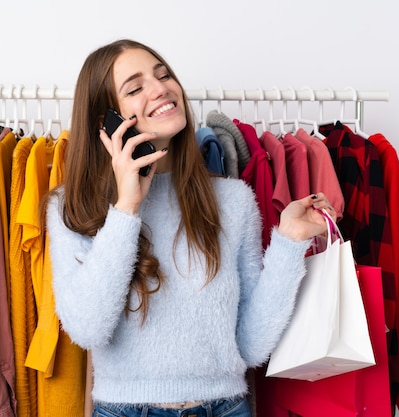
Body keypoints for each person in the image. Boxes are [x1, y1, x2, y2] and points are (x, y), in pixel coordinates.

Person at [45, 39, 337, 417]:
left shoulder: (233, 200)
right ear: (106, 123)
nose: (161, 88)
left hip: (226, 408)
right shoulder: (72, 207)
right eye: (135, 88)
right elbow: (86, 329)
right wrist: (127, 208)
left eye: (164, 75)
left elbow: (250, 346)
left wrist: (289, 243)